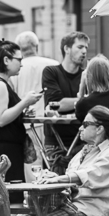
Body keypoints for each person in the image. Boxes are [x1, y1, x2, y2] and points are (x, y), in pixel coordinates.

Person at [0, 39, 42, 185]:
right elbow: (1, 119)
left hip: (6, 149)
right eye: (19, 59)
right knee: (11, 199)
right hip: (3, 152)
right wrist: (25, 102)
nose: (21, 64)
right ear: (6, 60)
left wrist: (22, 111)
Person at [42, 31, 89, 168]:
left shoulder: (86, 75)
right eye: (80, 47)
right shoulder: (51, 72)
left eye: (86, 48)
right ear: (67, 49)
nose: (84, 51)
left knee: (81, 187)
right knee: (54, 185)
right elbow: (56, 104)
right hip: (55, 141)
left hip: (82, 139)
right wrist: (82, 100)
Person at [14, 31, 58, 118]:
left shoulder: (14, 68)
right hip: (51, 120)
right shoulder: (54, 65)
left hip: (25, 120)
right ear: (37, 46)